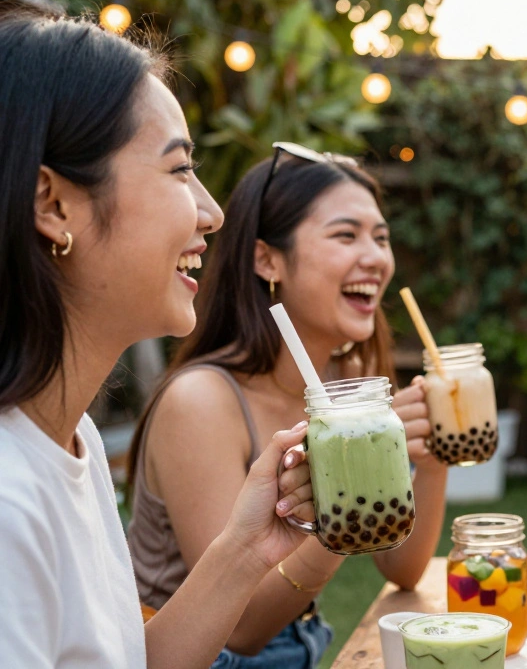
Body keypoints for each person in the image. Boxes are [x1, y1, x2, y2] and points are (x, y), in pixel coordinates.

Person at [0, 10, 316, 668]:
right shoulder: (8, 499)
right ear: (53, 205)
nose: (212, 211)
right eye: (178, 171)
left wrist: (245, 548)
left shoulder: (67, 437)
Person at [125, 146, 448, 667]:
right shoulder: (200, 401)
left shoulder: (347, 384)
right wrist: (348, 514)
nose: (375, 257)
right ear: (267, 259)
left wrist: (429, 467)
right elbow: (244, 629)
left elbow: (402, 568)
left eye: (381, 237)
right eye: (346, 235)